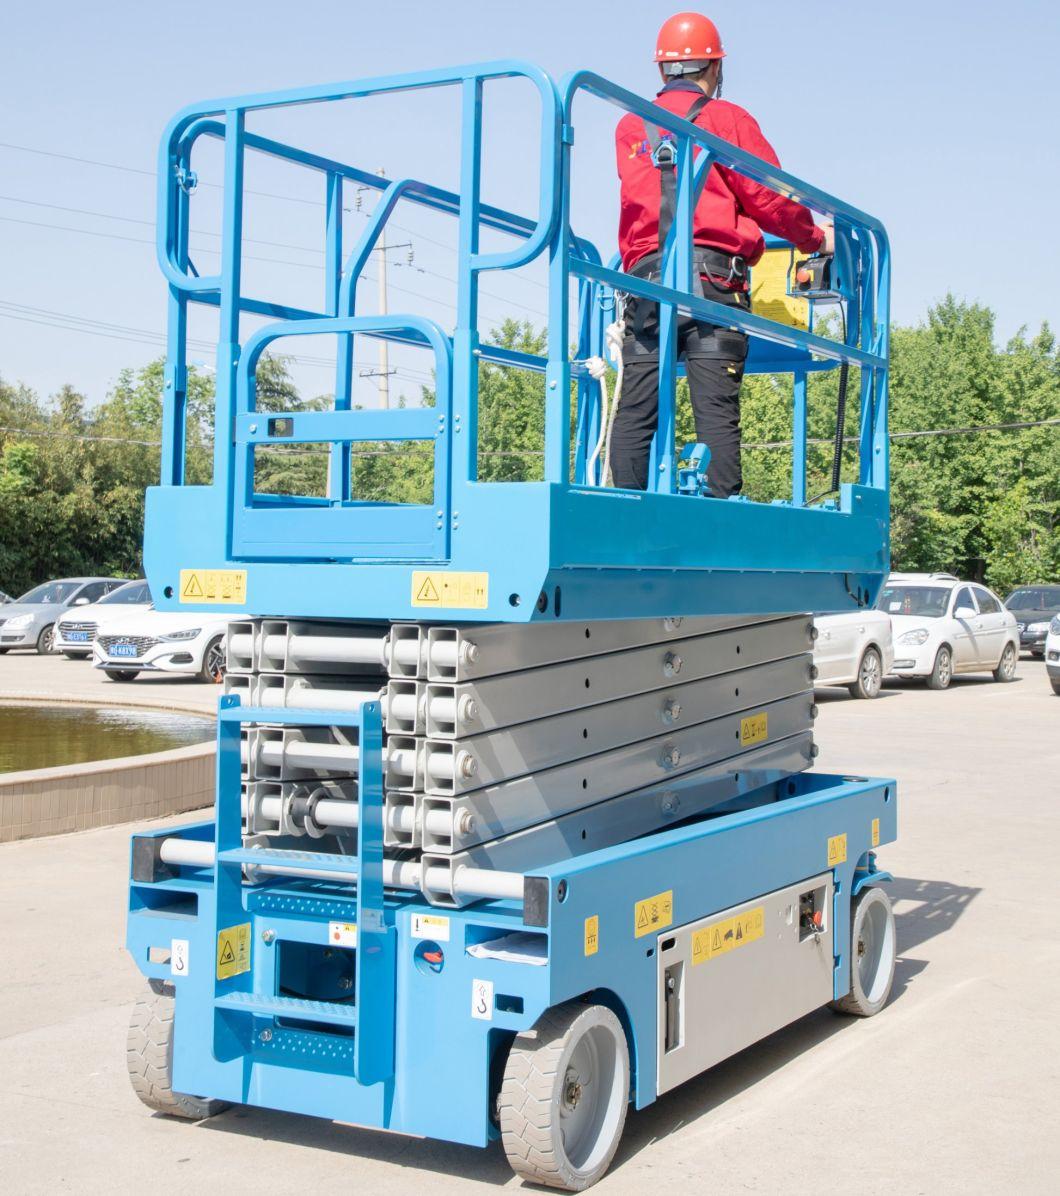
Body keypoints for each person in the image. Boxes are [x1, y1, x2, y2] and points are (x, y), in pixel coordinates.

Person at [612, 12, 833, 496]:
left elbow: (639, 206)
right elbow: (769, 197)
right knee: (715, 411)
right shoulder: (727, 118)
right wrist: (815, 239)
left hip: (644, 285)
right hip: (713, 286)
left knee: (636, 406)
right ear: (714, 68)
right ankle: (719, 514)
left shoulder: (630, 125)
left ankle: (622, 511)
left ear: (661, 72)